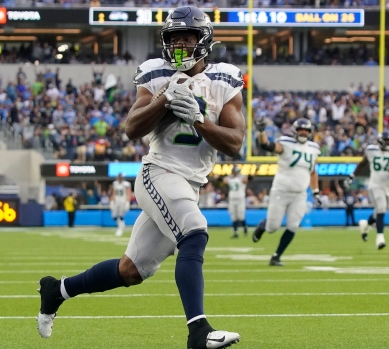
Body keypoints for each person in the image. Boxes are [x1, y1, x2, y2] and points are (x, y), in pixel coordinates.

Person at [36, 7, 245, 348]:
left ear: (203, 40)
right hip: (158, 172)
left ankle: (56, 290)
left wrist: (199, 119)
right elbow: (132, 128)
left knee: (131, 271)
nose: (180, 45)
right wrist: (165, 99)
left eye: (187, 38)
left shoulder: (225, 79)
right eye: (174, 38)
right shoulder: (155, 73)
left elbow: (235, 144)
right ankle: (199, 332)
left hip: (190, 183)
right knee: (194, 233)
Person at [252, 118, 322, 266]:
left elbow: (313, 172)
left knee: (293, 225)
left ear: (310, 132)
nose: (303, 132)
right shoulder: (286, 143)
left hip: (300, 194)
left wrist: (316, 191)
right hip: (281, 191)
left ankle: (276, 256)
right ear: (295, 131)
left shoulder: (314, 148)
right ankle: (263, 226)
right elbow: (267, 145)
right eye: (301, 130)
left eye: (306, 130)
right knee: (273, 227)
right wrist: (261, 131)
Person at [345, 130, 389, 249]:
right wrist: (352, 176)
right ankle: (380, 238)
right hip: (375, 184)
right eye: (388, 141)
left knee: (381, 211)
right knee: (381, 208)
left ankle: (366, 225)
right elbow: (362, 164)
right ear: (381, 142)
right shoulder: (371, 151)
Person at [223, 166, 250, 238]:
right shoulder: (229, 178)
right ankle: (235, 233)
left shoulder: (242, 178)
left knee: (241, 216)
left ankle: (245, 227)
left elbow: (246, 180)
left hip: (240, 199)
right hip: (232, 199)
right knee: (233, 216)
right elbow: (224, 181)